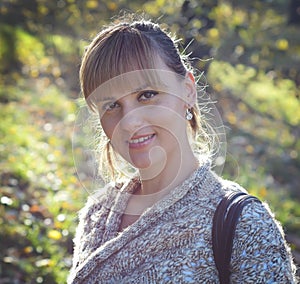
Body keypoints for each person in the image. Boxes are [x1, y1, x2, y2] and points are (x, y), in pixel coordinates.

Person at [68, 15, 297, 283]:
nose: (129, 122)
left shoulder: (243, 224)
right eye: (111, 105)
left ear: (188, 90)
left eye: (147, 94)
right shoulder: (98, 213)